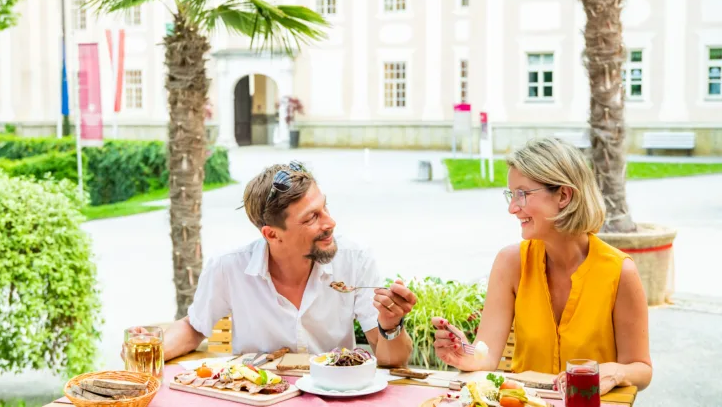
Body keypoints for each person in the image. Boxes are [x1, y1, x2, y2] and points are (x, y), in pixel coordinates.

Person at [432, 137, 652, 395]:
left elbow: (642, 369)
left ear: (564, 195)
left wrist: (616, 371)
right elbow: (486, 356)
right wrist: (466, 354)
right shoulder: (510, 263)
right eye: (511, 196)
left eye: (522, 194)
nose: (513, 208)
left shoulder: (619, 271)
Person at [149, 161, 416, 367]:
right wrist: (151, 351)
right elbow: (194, 328)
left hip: (334, 395)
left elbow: (393, 361)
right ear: (272, 234)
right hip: (256, 396)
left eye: (325, 208)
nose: (330, 223)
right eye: (311, 218)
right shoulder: (228, 268)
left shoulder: (355, 260)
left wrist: (391, 325)